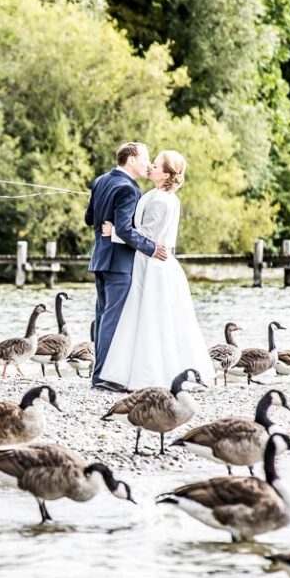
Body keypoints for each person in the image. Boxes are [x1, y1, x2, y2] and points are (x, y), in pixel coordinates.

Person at [97, 150, 215, 390]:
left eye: (157, 165)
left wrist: (115, 233)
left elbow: (148, 236)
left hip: (153, 263)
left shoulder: (162, 200)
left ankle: (151, 373)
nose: (151, 166)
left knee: (152, 318)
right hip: (147, 260)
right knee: (144, 317)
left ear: (167, 174)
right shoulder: (156, 194)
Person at [85, 142, 167, 392]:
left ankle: (99, 373)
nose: (148, 163)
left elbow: (89, 218)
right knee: (113, 319)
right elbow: (123, 229)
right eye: (145, 158)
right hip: (119, 261)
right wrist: (151, 248)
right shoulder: (129, 189)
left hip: (100, 258)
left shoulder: (101, 180)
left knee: (102, 316)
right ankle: (104, 377)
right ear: (131, 160)